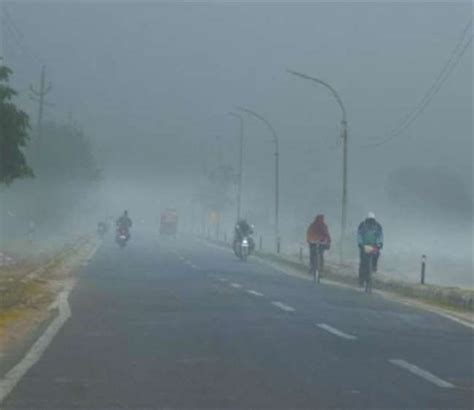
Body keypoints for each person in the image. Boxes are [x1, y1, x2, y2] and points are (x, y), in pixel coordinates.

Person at [357, 212, 384, 285]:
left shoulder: (378, 226)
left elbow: (380, 235)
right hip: (364, 246)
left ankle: (374, 266)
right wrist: (360, 243)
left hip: (373, 246)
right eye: (370, 220)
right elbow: (359, 234)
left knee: (377, 254)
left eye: (372, 220)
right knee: (362, 264)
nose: (371, 222)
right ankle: (361, 281)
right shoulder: (362, 225)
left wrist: (380, 243)